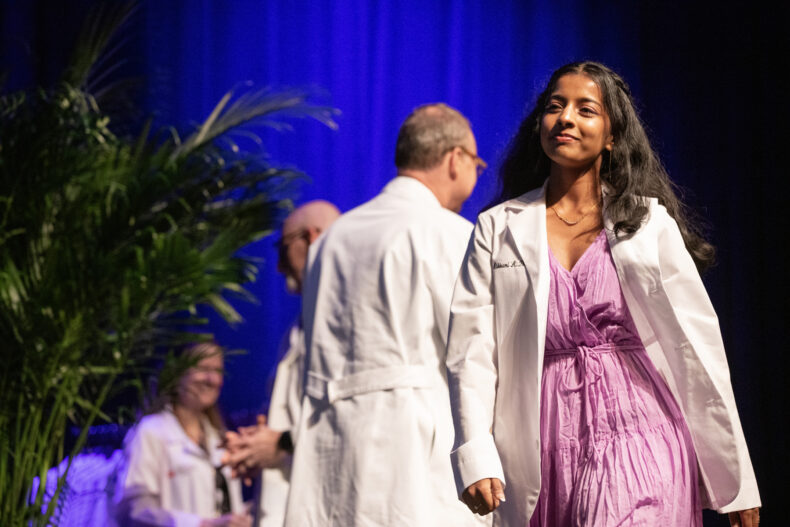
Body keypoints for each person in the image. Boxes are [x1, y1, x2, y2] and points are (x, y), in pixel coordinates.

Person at [446, 61, 761, 527]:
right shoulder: (498, 227)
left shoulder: (648, 223)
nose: (566, 118)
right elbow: (471, 351)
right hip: (542, 441)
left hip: (641, 429)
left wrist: (738, 479)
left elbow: (698, 348)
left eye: (585, 109)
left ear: (612, 135)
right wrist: (475, 450)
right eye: (555, 107)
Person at [283, 103, 488, 526]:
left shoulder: (332, 239)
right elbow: (473, 354)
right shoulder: (448, 232)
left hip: (331, 454)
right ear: (456, 159)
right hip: (411, 452)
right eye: (477, 163)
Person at [251, 200, 340, 527]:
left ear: (312, 239)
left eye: (283, 247)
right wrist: (256, 445)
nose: (278, 265)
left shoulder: (347, 319)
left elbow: (351, 413)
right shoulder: (299, 326)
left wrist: (281, 443)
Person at [115, 342, 252, 527]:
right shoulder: (152, 432)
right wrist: (201, 525)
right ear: (177, 373)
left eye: (217, 370)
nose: (211, 379)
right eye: (203, 368)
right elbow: (134, 510)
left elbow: (219, 507)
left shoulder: (219, 436)